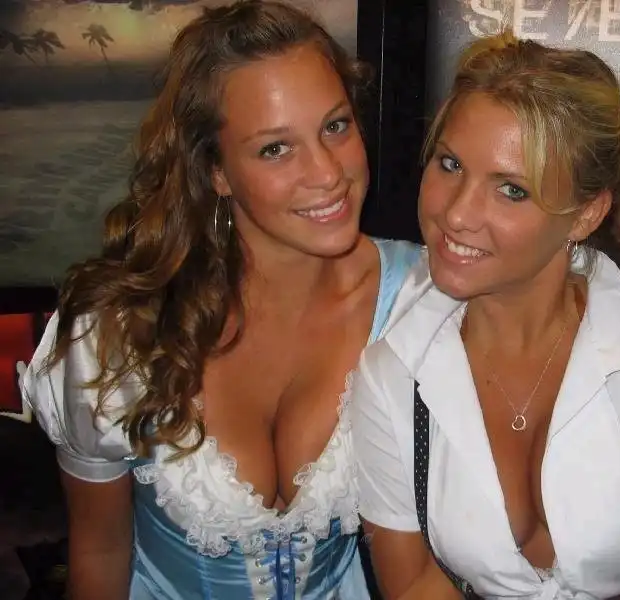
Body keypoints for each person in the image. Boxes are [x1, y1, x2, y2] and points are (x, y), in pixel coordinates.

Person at [20, 1, 420, 598]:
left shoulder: (416, 299)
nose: (327, 173)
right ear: (217, 171)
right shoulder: (116, 335)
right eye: (275, 148)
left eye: (336, 126)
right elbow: (101, 550)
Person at [350, 32, 620, 600]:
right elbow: (415, 585)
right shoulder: (392, 373)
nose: (457, 213)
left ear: (586, 214)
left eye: (511, 190)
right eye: (450, 164)